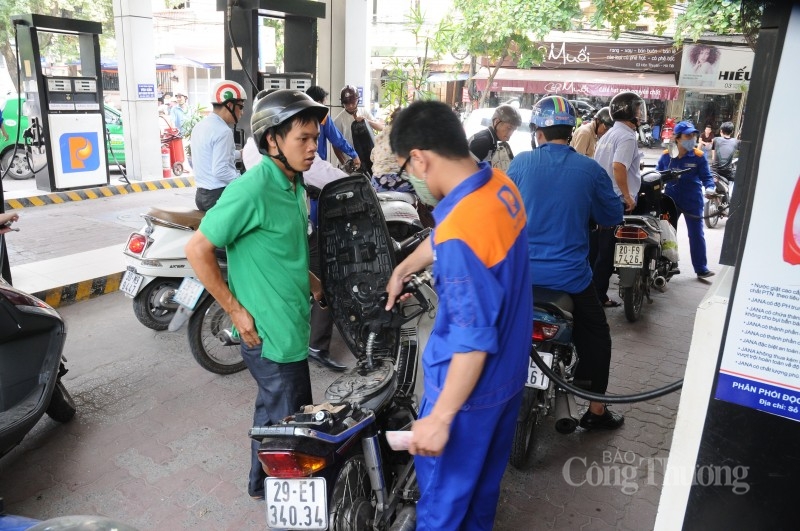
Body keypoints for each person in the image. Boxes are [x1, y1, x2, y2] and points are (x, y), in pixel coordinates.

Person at [384, 100, 531, 530]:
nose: (412, 179)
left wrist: (440, 418)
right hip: (506, 380)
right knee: (481, 495)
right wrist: (405, 266)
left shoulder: (463, 233)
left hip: (466, 396)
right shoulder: (498, 186)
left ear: (419, 157)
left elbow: (471, 338)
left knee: (444, 511)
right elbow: (448, 232)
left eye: (408, 169)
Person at [184, 89, 329, 500]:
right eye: (303, 139)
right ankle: (289, 505)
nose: (313, 148)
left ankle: (258, 482)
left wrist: (315, 286)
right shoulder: (252, 189)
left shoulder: (295, 184)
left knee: (273, 412)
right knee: (292, 429)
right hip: (268, 337)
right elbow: (197, 249)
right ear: (272, 141)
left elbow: (287, 251)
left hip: (291, 326)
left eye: (315, 138)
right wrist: (235, 311)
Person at [508, 95, 625, 433]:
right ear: (570, 132)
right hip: (570, 280)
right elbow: (611, 215)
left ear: (537, 132)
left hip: (520, 277)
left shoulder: (520, 165)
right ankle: (596, 410)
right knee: (597, 336)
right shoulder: (589, 170)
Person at [592, 91, 646, 307]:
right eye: (637, 109)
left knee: (596, 252)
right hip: (615, 200)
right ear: (628, 111)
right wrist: (627, 196)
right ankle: (599, 297)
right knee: (607, 253)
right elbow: (618, 166)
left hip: (600, 199)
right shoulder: (627, 136)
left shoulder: (608, 135)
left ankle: (593, 293)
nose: (640, 113)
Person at [657, 121, 717, 279]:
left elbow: (707, 177)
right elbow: (657, 175)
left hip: (692, 200)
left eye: (693, 135)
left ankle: (701, 268)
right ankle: (664, 267)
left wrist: (710, 188)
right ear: (677, 138)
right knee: (666, 234)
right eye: (688, 136)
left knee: (696, 234)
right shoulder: (667, 155)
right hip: (671, 200)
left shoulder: (698, 156)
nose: (692, 138)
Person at [190, 80, 247, 211]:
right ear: (230, 105)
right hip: (218, 195)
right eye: (241, 107)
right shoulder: (223, 131)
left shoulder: (200, 126)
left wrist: (240, 154)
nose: (242, 112)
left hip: (202, 195)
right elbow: (220, 170)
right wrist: (243, 180)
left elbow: (212, 155)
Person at [305, 85, 361, 169]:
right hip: (316, 164)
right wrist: (354, 154)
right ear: (319, 102)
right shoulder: (323, 118)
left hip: (298, 164)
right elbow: (337, 139)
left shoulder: (298, 117)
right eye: (324, 102)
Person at [333, 85, 384, 175]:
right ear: (342, 103)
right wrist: (345, 163)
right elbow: (335, 145)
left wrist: (366, 121)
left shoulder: (364, 111)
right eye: (347, 104)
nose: (350, 106)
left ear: (358, 100)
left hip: (368, 160)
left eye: (353, 103)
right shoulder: (338, 120)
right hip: (350, 163)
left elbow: (380, 127)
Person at [467, 104, 522, 171]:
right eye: (509, 128)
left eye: (514, 129)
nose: (511, 133)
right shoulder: (483, 141)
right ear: (496, 122)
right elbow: (466, 171)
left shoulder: (491, 140)